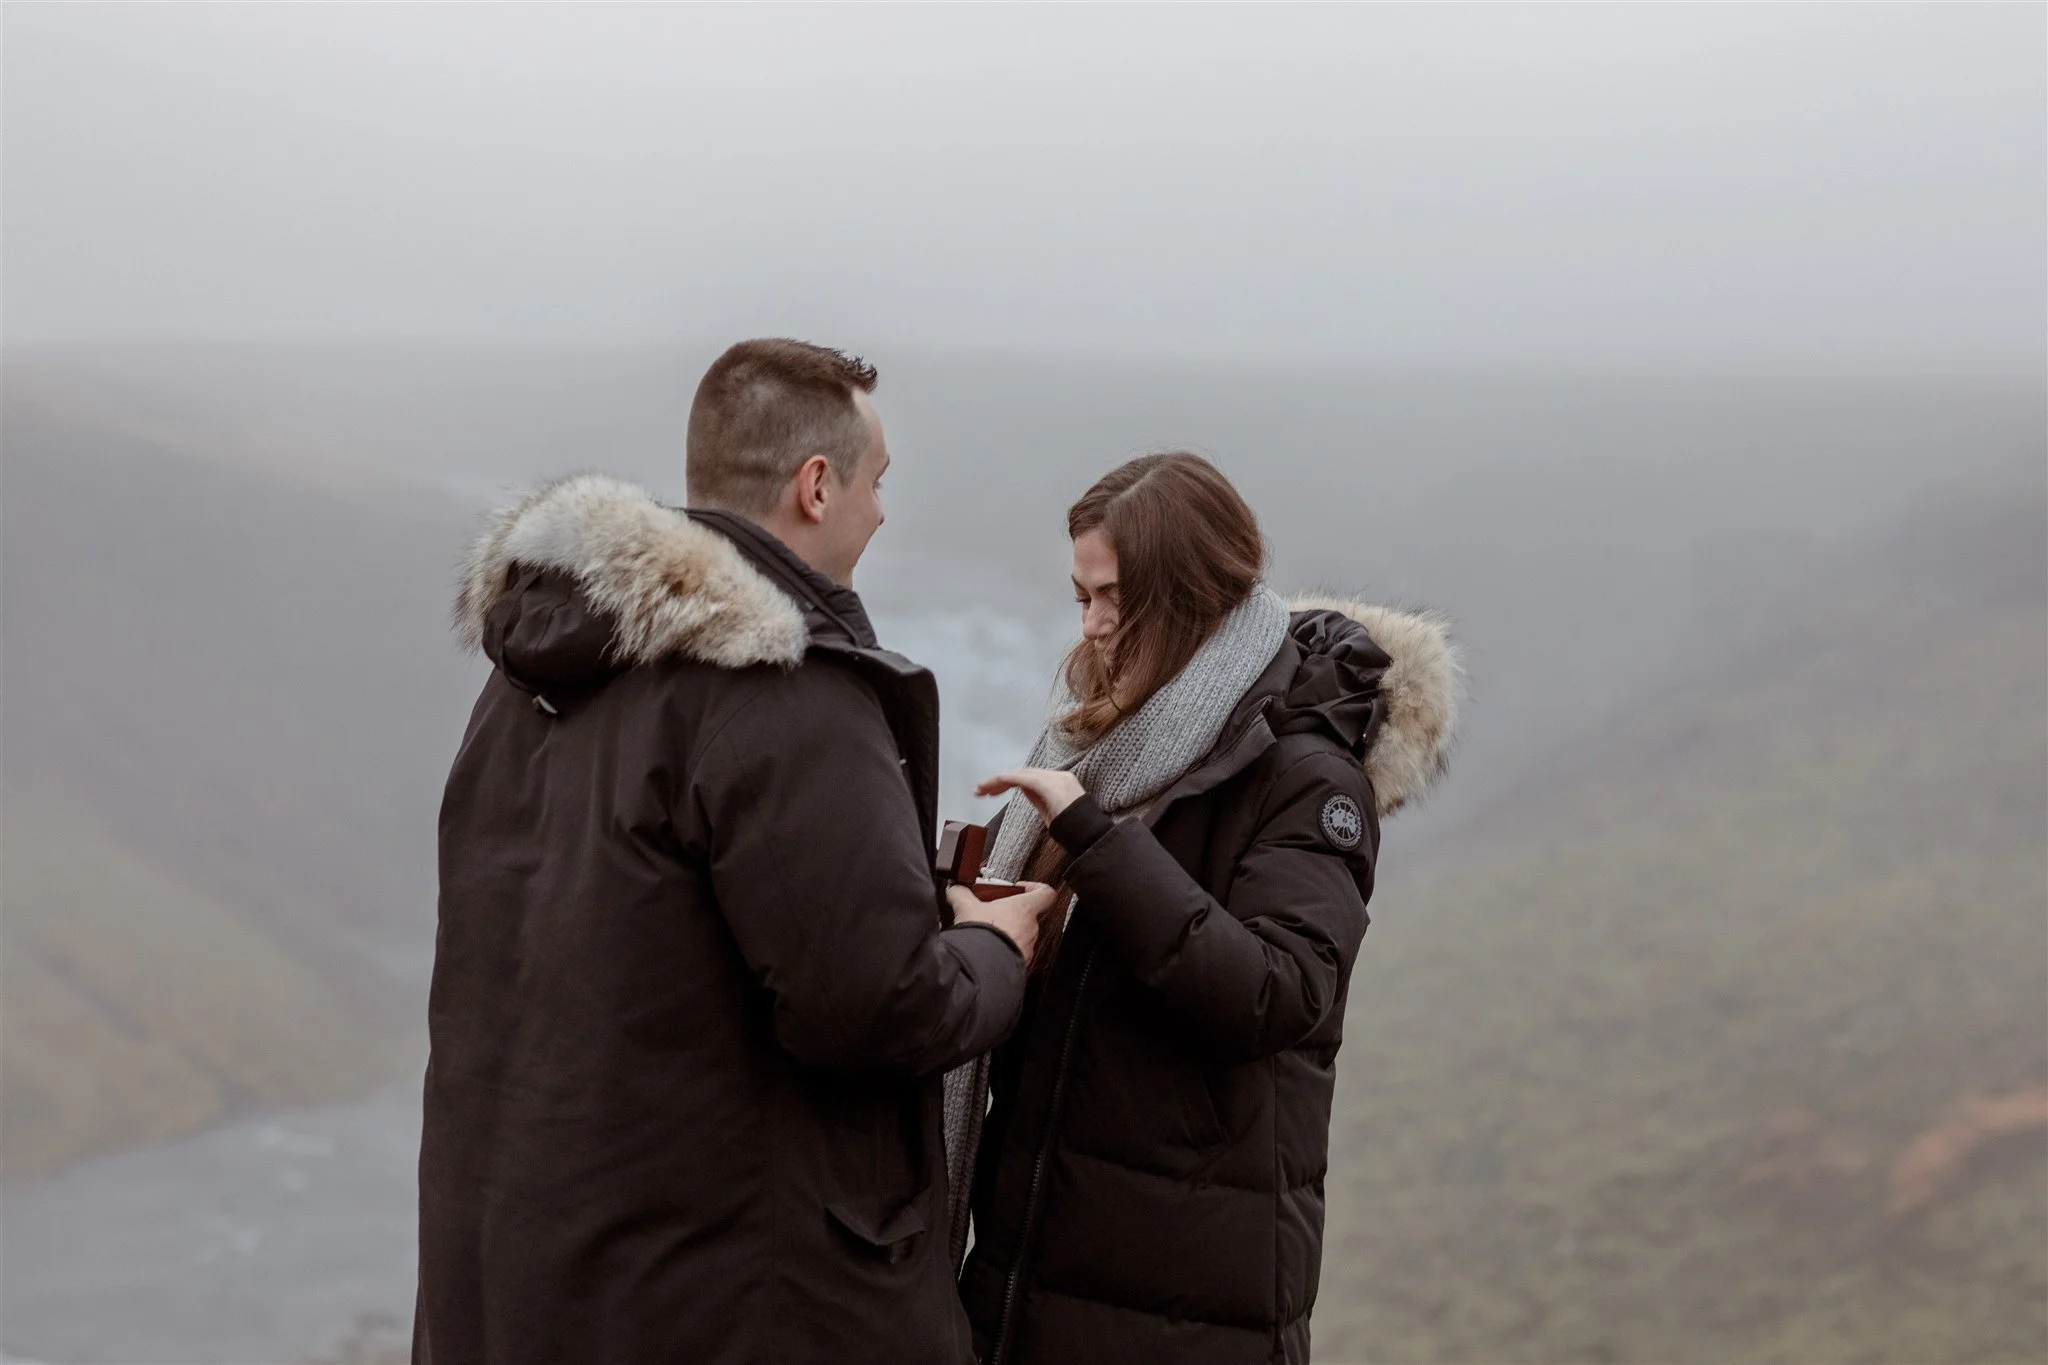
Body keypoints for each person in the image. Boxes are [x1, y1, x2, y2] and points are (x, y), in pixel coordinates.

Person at [416, 338, 1053, 1365]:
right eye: (874, 482)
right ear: (815, 486)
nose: (881, 512)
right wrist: (993, 950)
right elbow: (876, 1004)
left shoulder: (527, 681)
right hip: (730, 1308)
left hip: (527, 1284)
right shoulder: (782, 695)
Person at [954, 452, 1461, 1365]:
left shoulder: (1309, 772)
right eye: (1082, 598)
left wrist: (1095, 841)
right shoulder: (1114, 740)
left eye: (1119, 599)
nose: (1098, 627)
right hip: (1041, 1265)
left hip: (1185, 1305)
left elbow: (1280, 991)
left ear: (1192, 596)